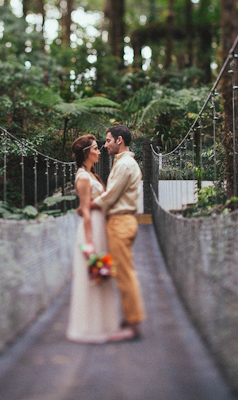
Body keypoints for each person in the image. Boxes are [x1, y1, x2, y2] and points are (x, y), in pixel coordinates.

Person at [66, 134, 121, 343]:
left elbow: (90, 205)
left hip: (101, 226)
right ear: (86, 153)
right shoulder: (82, 177)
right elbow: (87, 212)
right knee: (93, 275)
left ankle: (103, 324)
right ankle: (89, 326)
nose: (99, 151)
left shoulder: (91, 175)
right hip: (92, 229)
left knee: (102, 273)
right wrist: (88, 242)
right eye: (96, 148)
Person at [92, 125, 145, 341]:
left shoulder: (125, 164)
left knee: (124, 274)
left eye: (108, 141)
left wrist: (88, 206)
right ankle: (130, 318)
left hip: (121, 221)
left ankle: (133, 324)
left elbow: (110, 196)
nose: (105, 145)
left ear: (119, 140)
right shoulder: (122, 163)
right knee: (123, 271)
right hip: (120, 220)